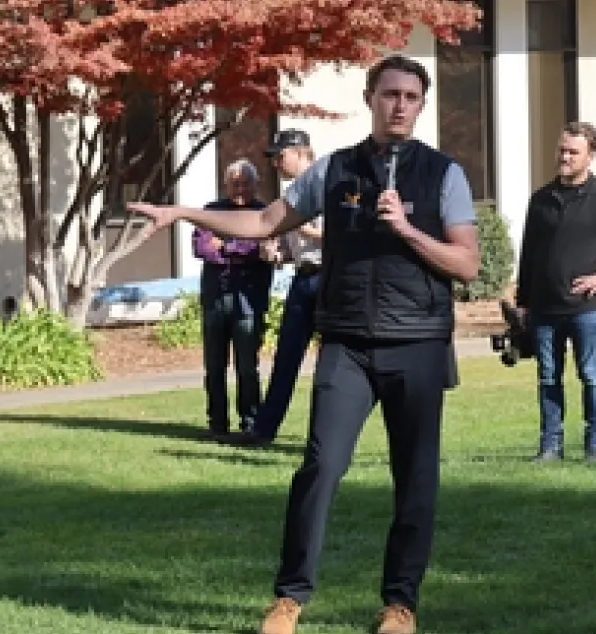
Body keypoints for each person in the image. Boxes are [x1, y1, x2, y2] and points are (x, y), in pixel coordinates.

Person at [126, 54, 480, 634]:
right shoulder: (334, 171)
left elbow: (466, 263)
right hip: (347, 344)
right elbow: (265, 223)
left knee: (415, 477)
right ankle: (289, 600)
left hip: (417, 343)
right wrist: (184, 212)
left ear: (421, 104)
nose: (400, 105)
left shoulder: (444, 175)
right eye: (390, 93)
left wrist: (408, 230)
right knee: (319, 466)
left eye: (411, 96)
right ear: (370, 98)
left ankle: (399, 606)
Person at [510, 121, 596, 465]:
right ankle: (550, 447)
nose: (565, 157)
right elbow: (529, 254)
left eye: (573, 152)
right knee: (547, 378)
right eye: (562, 150)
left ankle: (595, 447)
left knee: (591, 376)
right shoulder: (541, 200)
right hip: (544, 309)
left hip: (585, 309)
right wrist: (523, 303)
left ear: (591, 156)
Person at [229, 129, 321, 447]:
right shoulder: (290, 194)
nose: (276, 164)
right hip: (302, 278)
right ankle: (263, 430)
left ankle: (323, 436)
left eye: (280, 156)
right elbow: (287, 241)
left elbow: (344, 232)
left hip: (328, 279)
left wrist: (304, 229)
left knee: (331, 363)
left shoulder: (330, 183)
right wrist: (277, 253)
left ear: (300, 152)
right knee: (286, 358)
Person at [194, 159, 279, 438]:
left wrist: (227, 245)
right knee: (214, 366)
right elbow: (202, 247)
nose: (239, 189)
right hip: (215, 298)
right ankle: (217, 424)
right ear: (225, 185)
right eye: (234, 184)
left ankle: (250, 423)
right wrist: (243, 247)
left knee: (247, 366)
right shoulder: (212, 211)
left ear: (255, 185)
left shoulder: (265, 213)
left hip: (248, 300)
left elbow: (262, 251)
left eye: (245, 183)